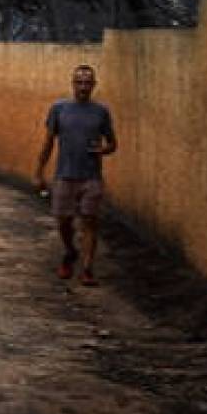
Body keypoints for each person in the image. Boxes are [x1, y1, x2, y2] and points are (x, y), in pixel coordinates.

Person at [34, 65, 117, 286]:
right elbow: (48, 142)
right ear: (72, 84)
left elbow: (112, 144)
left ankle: (87, 269)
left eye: (87, 82)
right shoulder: (59, 109)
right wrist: (39, 171)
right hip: (64, 175)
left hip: (91, 177)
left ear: (93, 85)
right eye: (79, 82)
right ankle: (70, 252)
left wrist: (102, 150)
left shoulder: (101, 112)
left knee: (90, 223)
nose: (83, 87)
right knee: (64, 221)